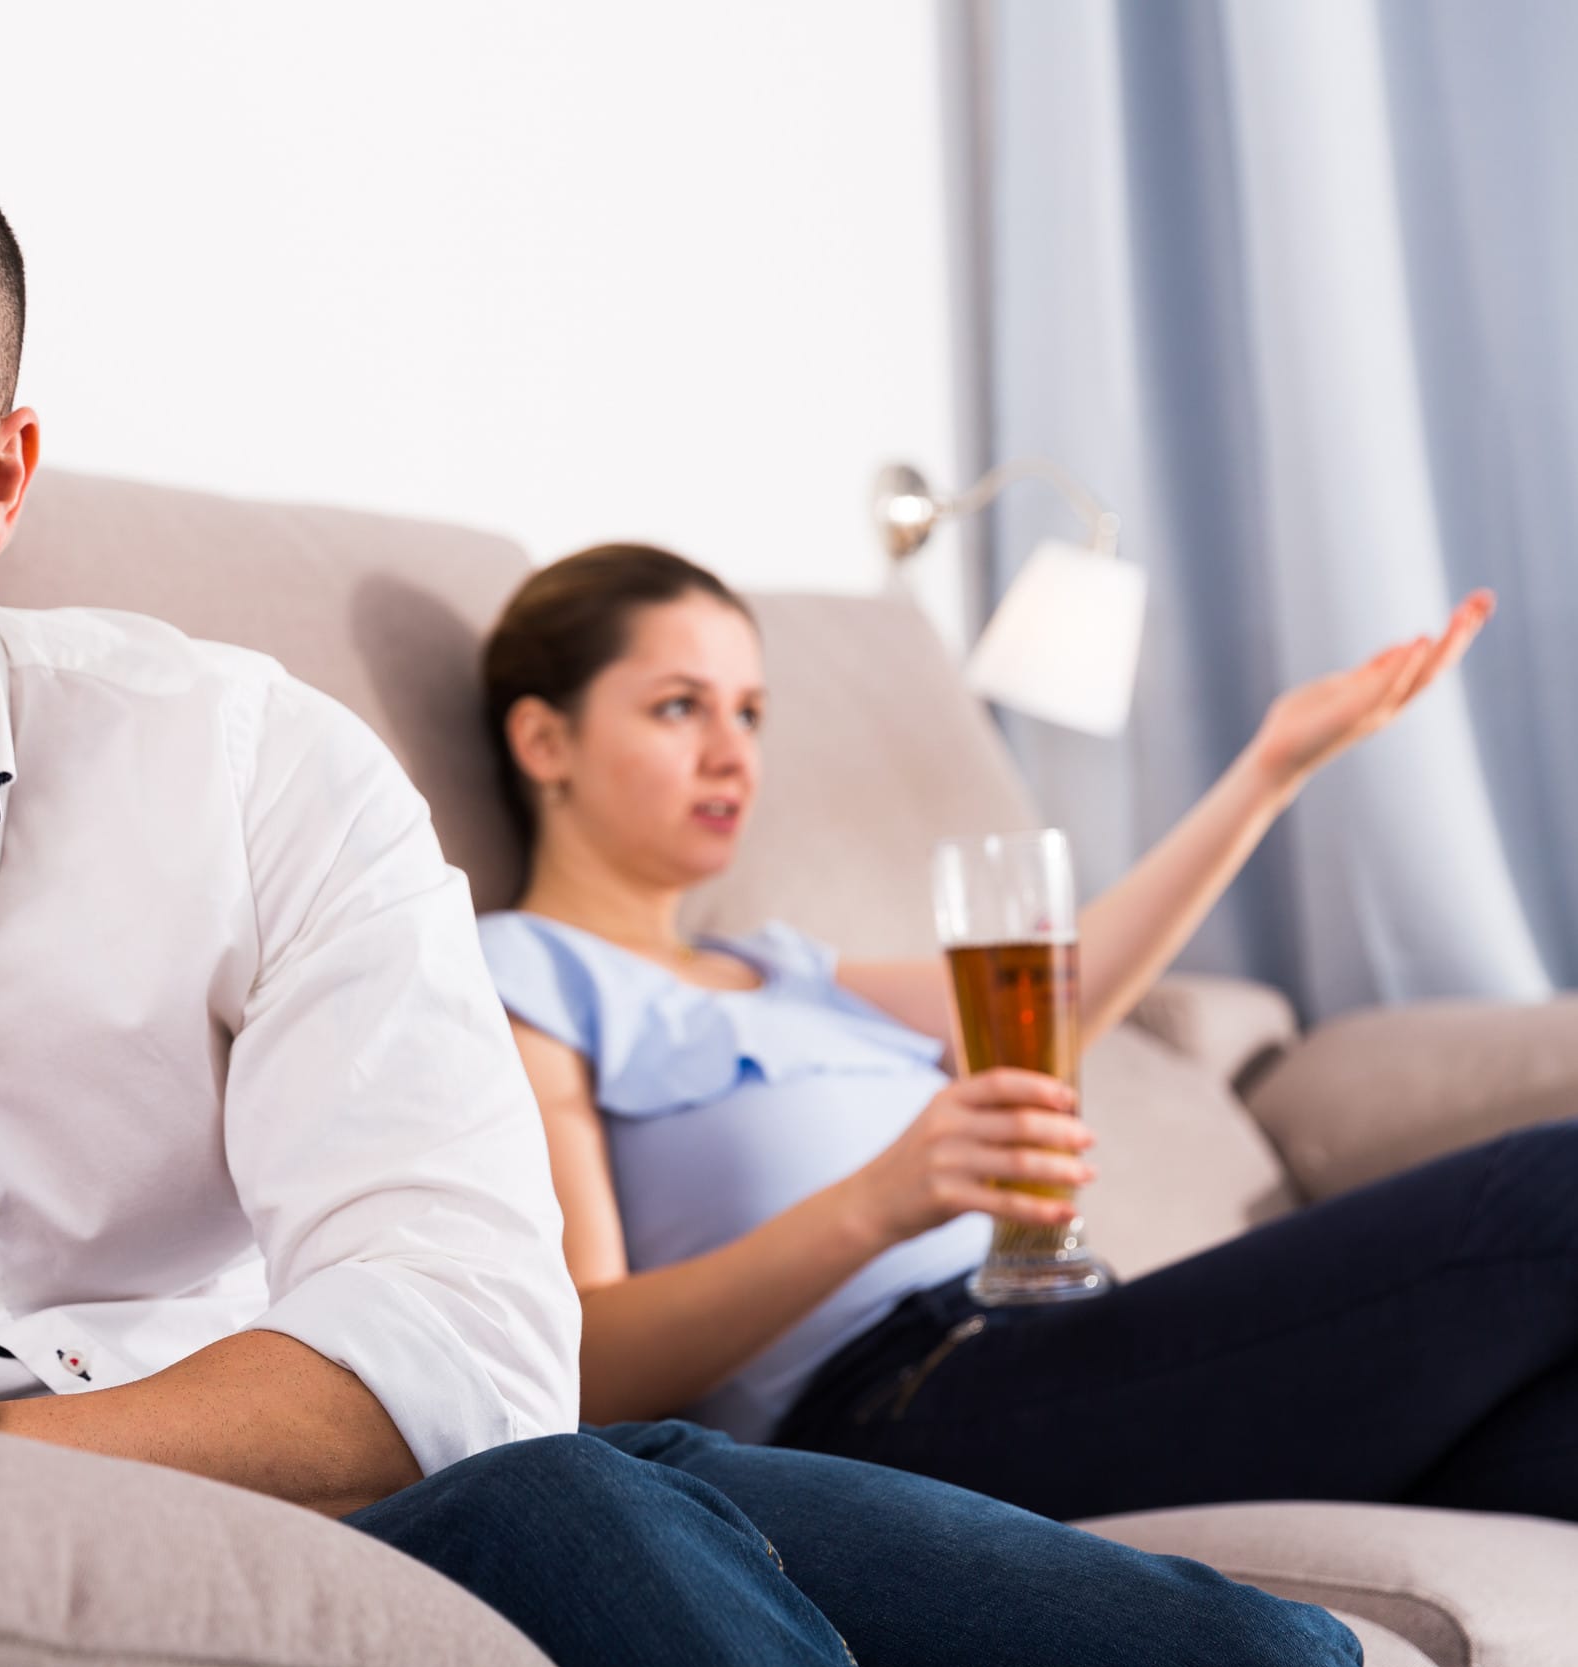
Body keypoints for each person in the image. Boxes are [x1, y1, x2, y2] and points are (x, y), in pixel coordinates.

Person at [0, 87, 1358, 1667]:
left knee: (1265, 1655)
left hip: (441, 1498)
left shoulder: (248, 770)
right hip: (116, 1581)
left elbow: (466, 1339)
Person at [477, 541, 1576, 1528]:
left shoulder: (785, 967)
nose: (734, 752)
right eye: (680, 707)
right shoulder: (525, 973)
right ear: (543, 738)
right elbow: (583, 1362)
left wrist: (1269, 768)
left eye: (752, 712)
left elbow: (1057, 993)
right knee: (1548, 1190)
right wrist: (881, 1199)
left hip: (1057, 1339)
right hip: (892, 1409)